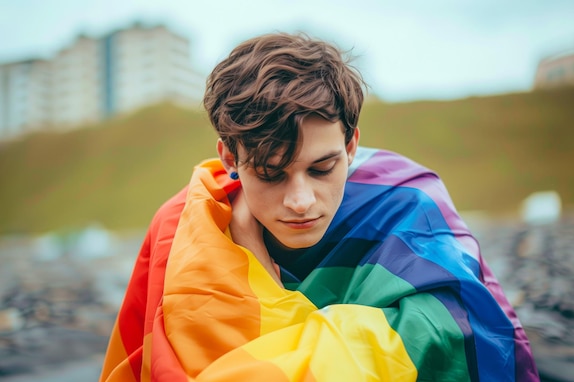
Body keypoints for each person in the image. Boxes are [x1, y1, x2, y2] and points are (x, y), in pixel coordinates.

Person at [100, 32, 539, 381]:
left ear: (350, 146)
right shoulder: (187, 226)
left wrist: (266, 298)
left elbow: (465, 333)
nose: (300, 201)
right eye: (270, 173)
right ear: (230, 158)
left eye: (322, 168)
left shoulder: (407, 202)